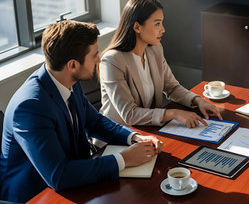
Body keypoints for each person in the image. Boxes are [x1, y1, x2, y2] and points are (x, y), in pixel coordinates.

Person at [0, 20, 163, 203]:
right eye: (94, 55)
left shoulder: (68, 81)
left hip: (76, 181)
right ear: (72, 65)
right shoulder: (30, 107)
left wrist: (134, 138)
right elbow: (58, 176)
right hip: (37, 196)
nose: (99, 59)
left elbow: (94, 122)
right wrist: (124, 159)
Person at [99, 0, 222, 128]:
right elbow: (129, 114)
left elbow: (172, 87)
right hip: (117, 137)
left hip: (147, 131)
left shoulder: (155, 50)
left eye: (161, 23)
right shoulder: (112, 61)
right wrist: (174, 113)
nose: (163, 29)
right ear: (137, 27)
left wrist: (198, 101)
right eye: (157, 23)